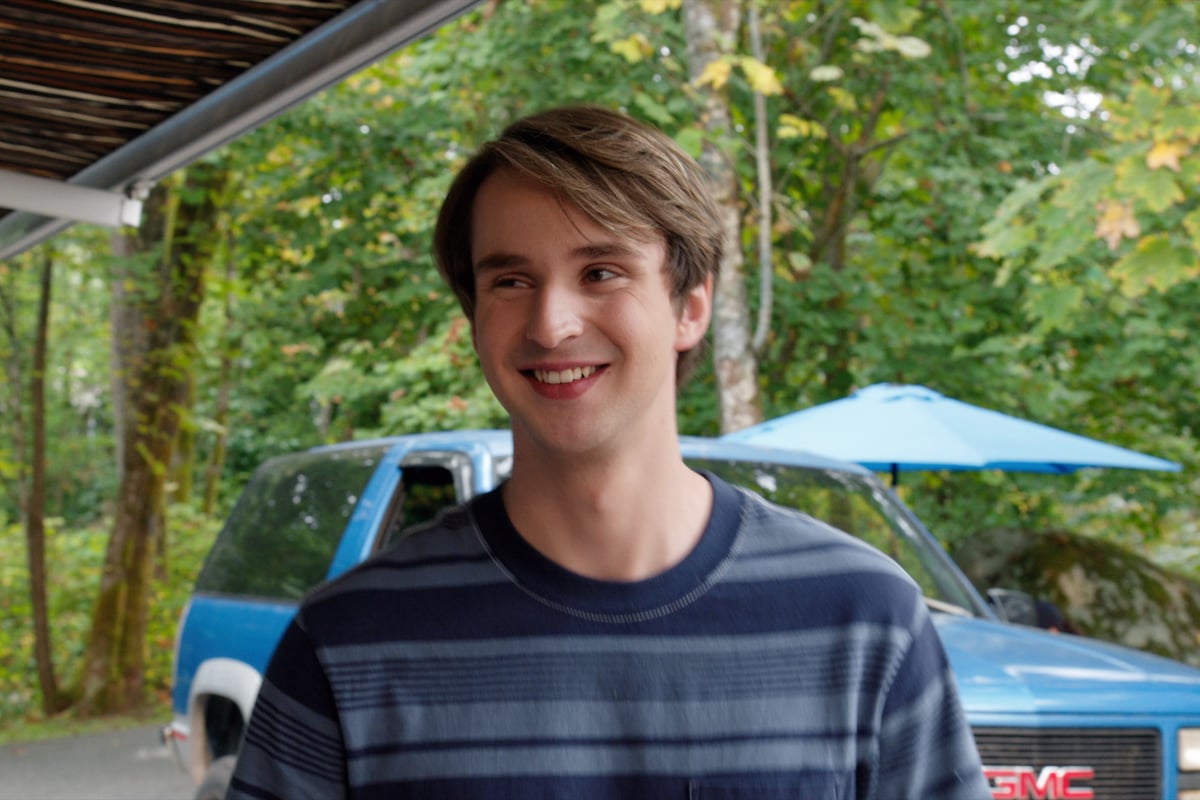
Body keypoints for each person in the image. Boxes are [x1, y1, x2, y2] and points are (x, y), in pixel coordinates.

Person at [227, 104, 990, 799]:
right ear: (474, 318)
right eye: (511, 280)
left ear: (690, 307)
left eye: (601, 272)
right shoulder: (347, 642)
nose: (551, 323)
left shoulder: (865, 621)